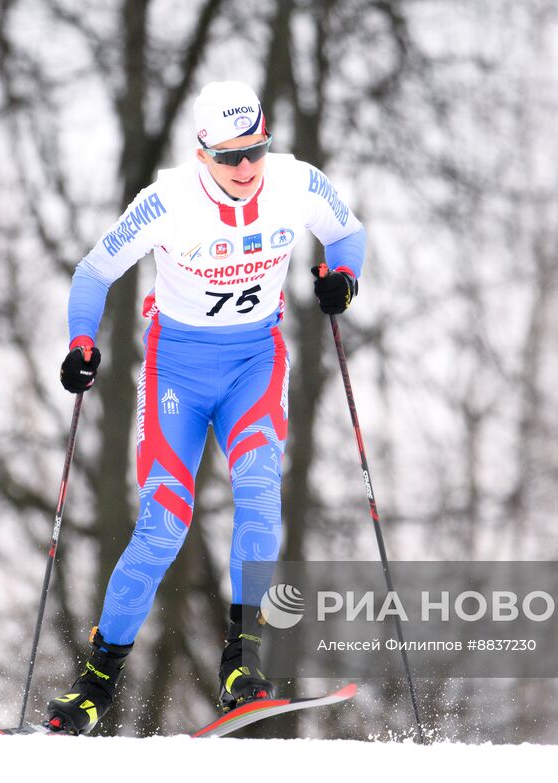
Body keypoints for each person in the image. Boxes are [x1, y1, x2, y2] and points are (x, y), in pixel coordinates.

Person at [44, 80, 366, 735]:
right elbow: (93, 271)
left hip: (255, 363)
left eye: (255, 150)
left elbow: (348, 233)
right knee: (163, 522)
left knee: (258, 491)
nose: (246, 168)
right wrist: (81, 342)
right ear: (201, 154)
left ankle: (241, 665)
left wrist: (343, 279)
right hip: (178, 374)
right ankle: (95, 683)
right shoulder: (166, 200)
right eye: (229, 157)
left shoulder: (295, 182)